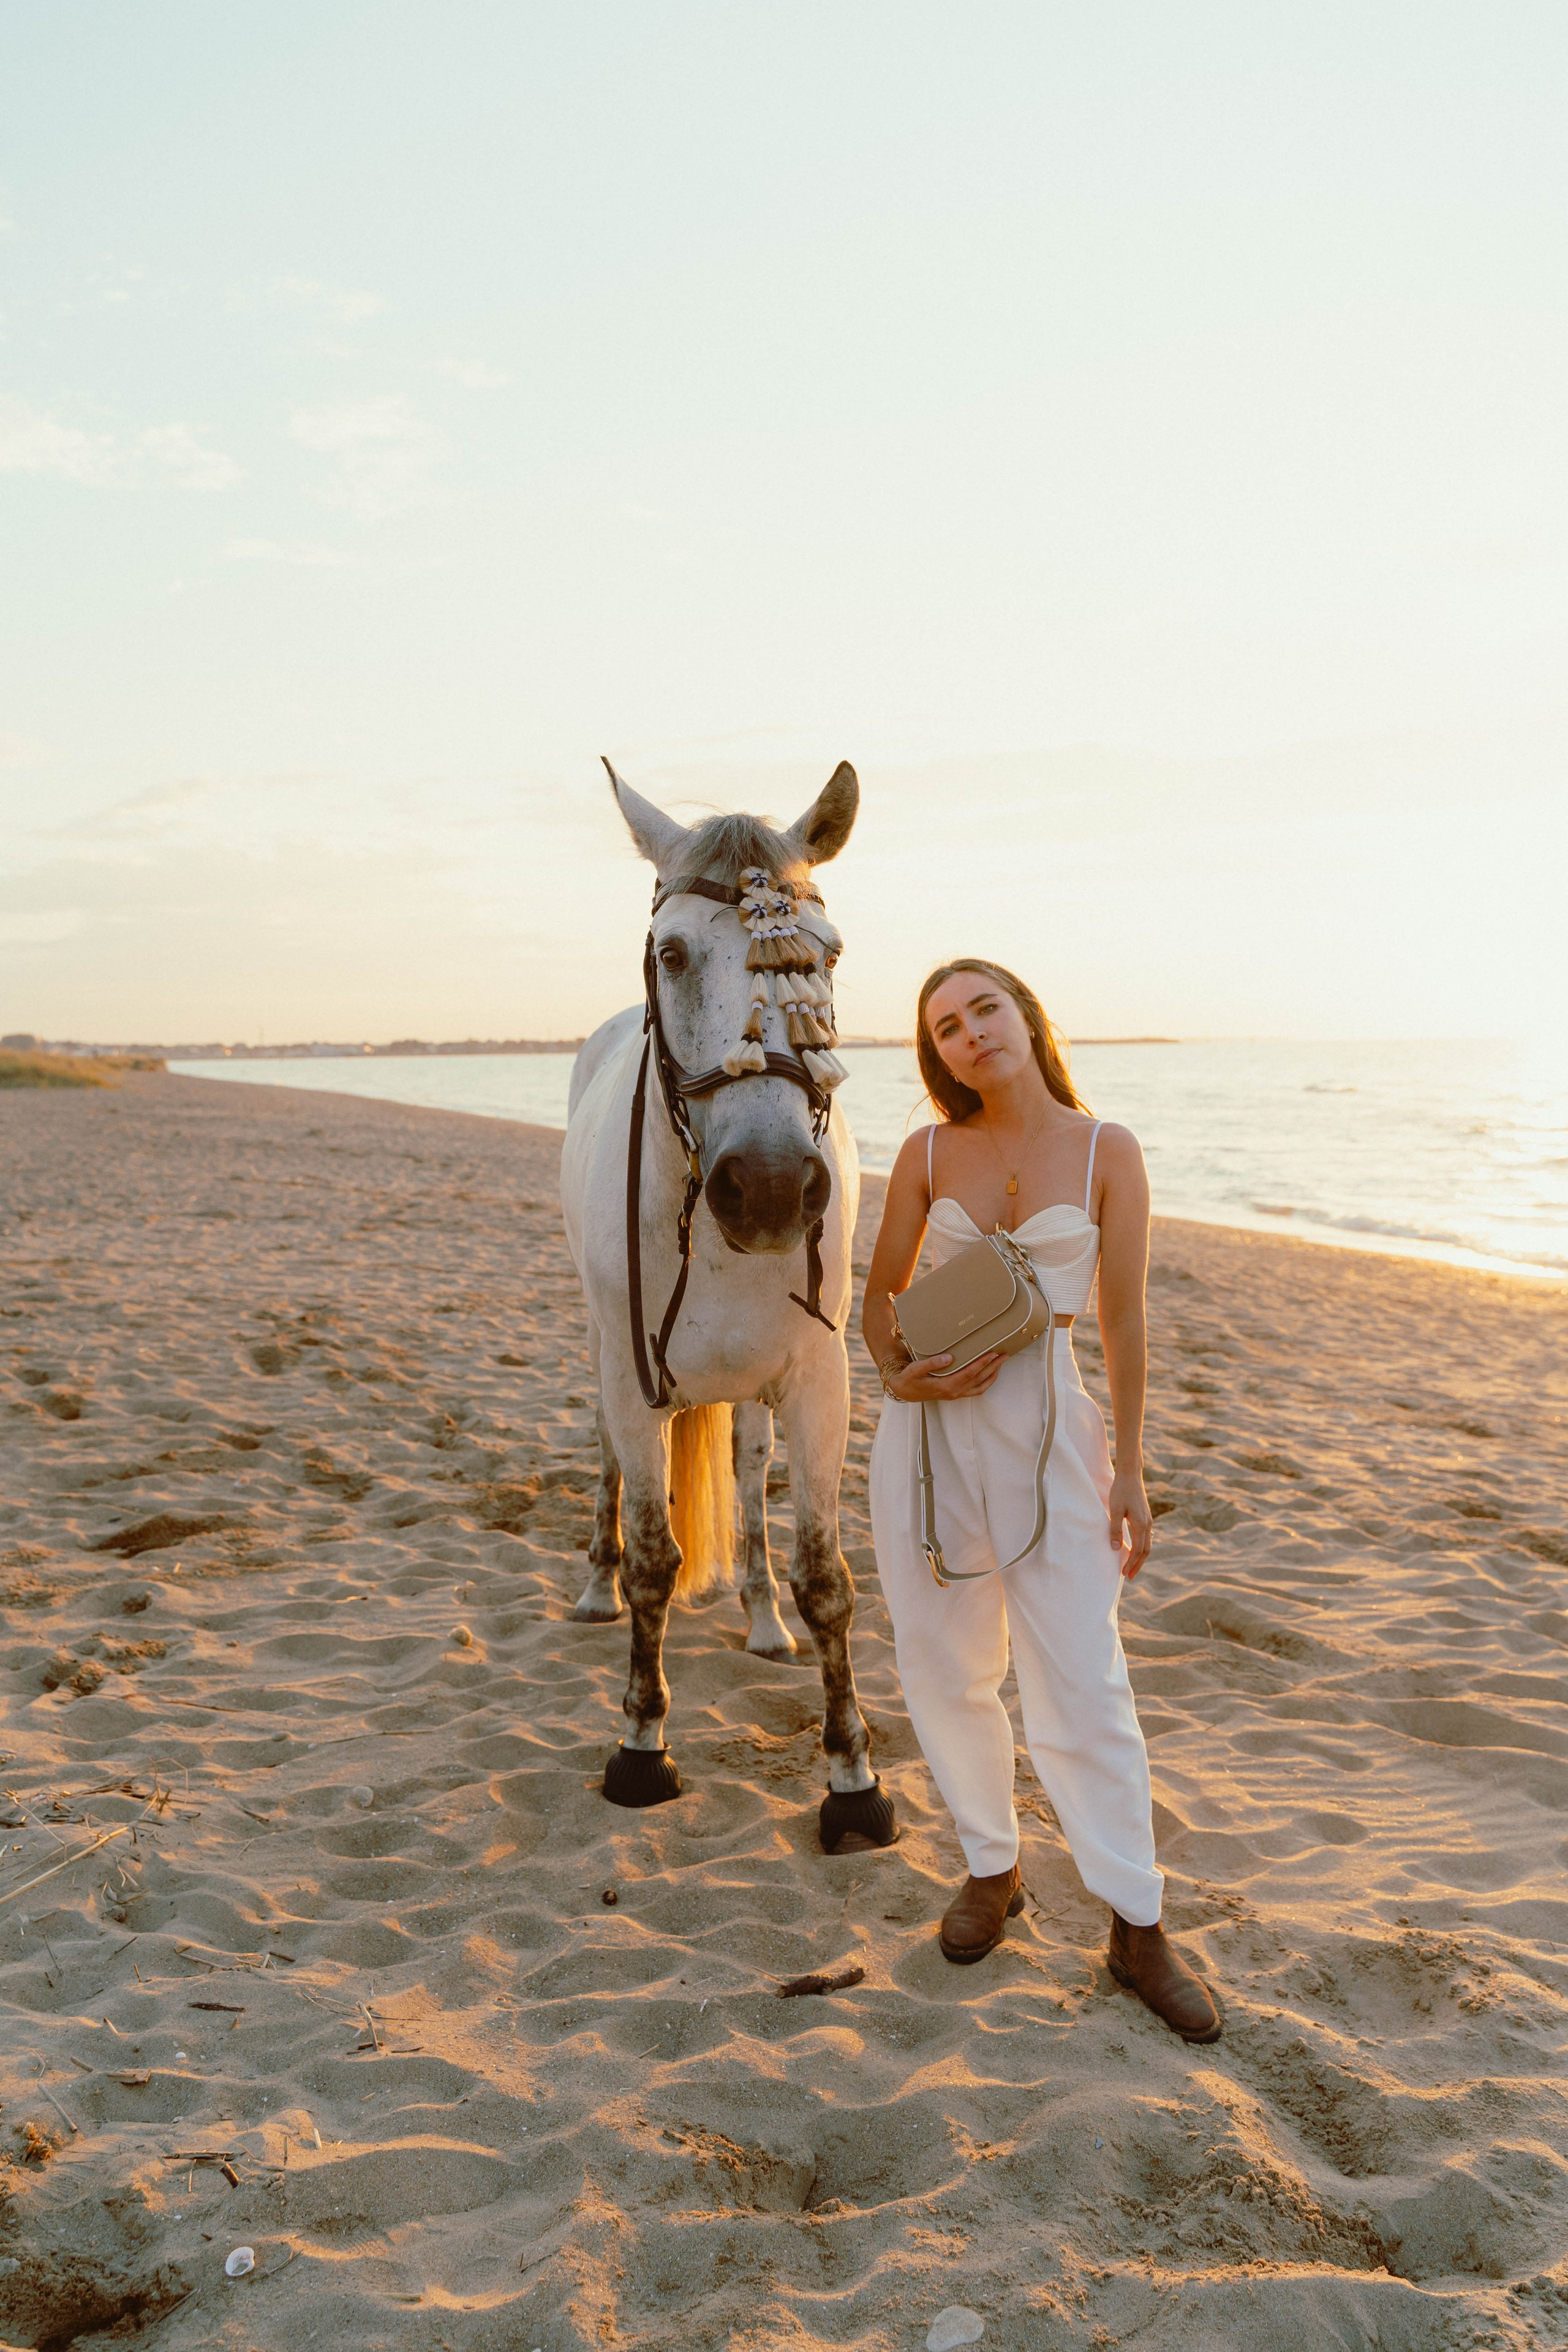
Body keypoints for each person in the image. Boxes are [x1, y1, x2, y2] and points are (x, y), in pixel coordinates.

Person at [862, 958, 1220, 2043]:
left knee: (1084, 1674)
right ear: (938, 1056)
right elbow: (879, 1301)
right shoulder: (925, 1152)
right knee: (941, 1659)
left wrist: (1132, 1467)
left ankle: (1137, 1924)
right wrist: (898, 1375)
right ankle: (992, 1864)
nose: (971, 1033)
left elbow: (1123, 1325)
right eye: (947, 1026)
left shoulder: (1109, 1150)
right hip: (927, 1439)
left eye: (985, 1010)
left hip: (1056, 1430)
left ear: (1025, 1017)